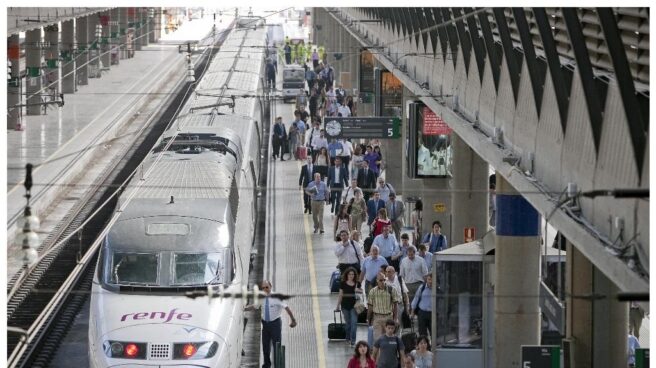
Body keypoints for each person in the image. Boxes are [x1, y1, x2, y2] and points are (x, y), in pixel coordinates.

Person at [244, 280, 297, 368]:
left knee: (276, 345)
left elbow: (287, 308)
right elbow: (254, 306)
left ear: (271, 286)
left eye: (267, 287)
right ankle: (266, 365)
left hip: (275, 324)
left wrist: (293, 320)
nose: (265, 289)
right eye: (263, 288)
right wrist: (244, 308)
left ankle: (278, 365)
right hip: (265, 325)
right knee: (265, 346)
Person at [368, 278, 401, 343]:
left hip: (388, 317)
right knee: (377, 340)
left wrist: (396, 318)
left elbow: (395, 305)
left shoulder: (392, 290)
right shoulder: (372, 291)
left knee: (389, 339)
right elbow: (370, 306)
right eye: (380, 280)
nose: (383, 281)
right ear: (377, 281)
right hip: (377, 317)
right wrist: (368, 318)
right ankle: (379, 353)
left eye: (384, 280)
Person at [336, 267, 363, 347]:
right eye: (350, 274)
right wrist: (337, 306)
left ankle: (353, 341)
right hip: (345, 305)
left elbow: (362, 291)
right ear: (347, 275)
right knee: (348, 324)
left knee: (354, 323)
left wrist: (357, 290)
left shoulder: (357, 283)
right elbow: (340, 295)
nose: (351, 276)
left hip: (354, 306)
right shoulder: (343, 283)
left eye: (353, 274)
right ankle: (347, 338)